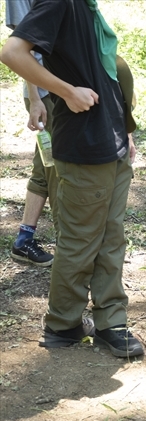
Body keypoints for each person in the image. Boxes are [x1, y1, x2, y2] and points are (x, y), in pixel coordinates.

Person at [1, 0, 143, 357]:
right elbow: (13, 52)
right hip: (83, 143)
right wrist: (65, 91)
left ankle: (112, 321)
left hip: (111, 137)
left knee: (112, 237)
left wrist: (125, 127)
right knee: (81, 241)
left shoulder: (85, 5)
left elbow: (110, 69)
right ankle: (63, 324)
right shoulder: (60, 1)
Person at [6, 0, 58, 267]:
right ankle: (64, 241)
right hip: (44, 94)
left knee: (48, 165)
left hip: (60, 90)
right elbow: (20, 48)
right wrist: (35, 98)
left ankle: (25, 240)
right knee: (53, 167)